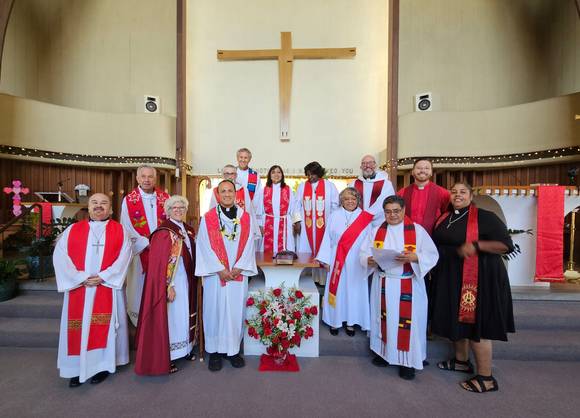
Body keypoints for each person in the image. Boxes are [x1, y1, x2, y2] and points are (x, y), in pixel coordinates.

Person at [430, 182, 515, 393]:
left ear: (470, 195)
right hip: (450, 275)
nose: (457, 195)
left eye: (462, 192)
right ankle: (461, 361)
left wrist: (477, 245)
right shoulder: (446, 216)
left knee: (477, 322)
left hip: (478, 277)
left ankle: (486, 377)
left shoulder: (484, 216)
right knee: (457, 318)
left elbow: (505, 245)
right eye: (454, 192)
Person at [54, 193, 132, 388]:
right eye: (94, 203)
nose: (99, 206)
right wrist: (80, 278)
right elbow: (60, 257)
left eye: (103, 203)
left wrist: (104, 276)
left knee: (103, 328)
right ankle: (75, 368)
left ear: (110, 208)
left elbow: (125, 256)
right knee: (78, 327)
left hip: (106, 287)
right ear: (87, 208)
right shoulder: (72, 230)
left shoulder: (120, 231)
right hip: (80, 288)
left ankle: (102, 366)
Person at [360, 195, 438, 380]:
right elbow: (364, 253)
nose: (392, 215)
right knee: (384, 320)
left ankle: (407, 362)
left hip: (407, 283)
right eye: (388, 211)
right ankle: (385, 354)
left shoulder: (417, 231)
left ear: (404, 210)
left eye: (396, 211)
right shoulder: (376, 231)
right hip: (384, 282)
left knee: (407, 325)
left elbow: (432, 253)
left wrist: (415, 257)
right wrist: (368, 260)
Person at [195, 180, 258, 372]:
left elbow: (249, 244)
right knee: (214, 309)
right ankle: (214, 351)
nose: (227, 194)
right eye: (223, 191)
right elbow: (204, 245)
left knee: (234, 311)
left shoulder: (246, 218)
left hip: (237, 274)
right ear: (217, 194)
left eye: (230, 190)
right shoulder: (208, 218)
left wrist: (239, 268)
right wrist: (220, 269)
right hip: (216, 275)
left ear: (236, 194)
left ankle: (232, 351)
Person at [134, 195, 198, 375]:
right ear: (167, 211)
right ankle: (167, 356)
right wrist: (168, 285)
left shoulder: (188, 230)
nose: (178, 210)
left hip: (188, 281)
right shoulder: (163, 232)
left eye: (181, 207)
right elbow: (158, 265)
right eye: (174, 208)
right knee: (172, 319)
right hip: (173, 283)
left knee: (185, 316)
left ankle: (184, 349)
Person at [316, 187, 374, 336]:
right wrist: (326, 260)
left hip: (358, 260)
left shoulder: (365, 218)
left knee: (354, 291)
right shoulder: (334, 215)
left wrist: (369, 258)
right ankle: (334, 321)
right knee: (338, 290)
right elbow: (327, 238)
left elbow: (370, 240)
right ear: (342, 200)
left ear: (358, 201)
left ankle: (351, 322)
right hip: (337, 258)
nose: (350, 201)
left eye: (353, 198)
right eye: (347, 198)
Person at [121, 164, 169, 326]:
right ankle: (140, 323)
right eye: (143, 176)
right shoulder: (129, 200)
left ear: (155, 179)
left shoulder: (165, 198)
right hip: (140, 254)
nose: (147, 180)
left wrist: (160, 244)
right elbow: (127, 227)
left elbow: (171, 223)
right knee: (139, 289)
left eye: (150, 177)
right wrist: (146, 244)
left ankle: (159, 321)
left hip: (163, 252)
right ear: (137, 179)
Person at [294, 161, 339, 285]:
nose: (310, 177)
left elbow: (335, 205)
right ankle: (305, 277)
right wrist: (297, 221)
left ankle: (321, 278)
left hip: (324, 225)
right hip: (306, 225)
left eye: (312, 174)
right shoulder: (302, 187)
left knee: (323, 248)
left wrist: (332, 222)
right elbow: (296, 205)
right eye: (308, 174)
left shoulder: (329, 186)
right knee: (305, 249)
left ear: (319, 174)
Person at [396, 158, 450, 236]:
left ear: (431, 172)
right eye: (419, 168)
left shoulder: (443, 193)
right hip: (406, 237)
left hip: (433, 238)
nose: (422, 171)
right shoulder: (401, 193)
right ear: (412, 172)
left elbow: (446, 215)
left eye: (427, 168)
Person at [254, 165, 299, 253]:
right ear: (270, 175)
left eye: (279, 172)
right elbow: (259, 208)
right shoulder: (264, 190)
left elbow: (293, 208)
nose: (276, 174)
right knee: (266, 249)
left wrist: (293, 225)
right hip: (267, 222)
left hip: (285, 222)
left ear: (282, 175)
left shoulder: (288, 189)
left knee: (285, 248)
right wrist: (260, 225)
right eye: (273, 172)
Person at [210, 165, 261, 240]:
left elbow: (249, 210)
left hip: (240, 227)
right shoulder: (216, 191)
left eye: (232, 174)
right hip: (222, 227)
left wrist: (252, 228)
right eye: (227, 174)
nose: (230, 176)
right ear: (223, 175)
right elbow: (212, 210)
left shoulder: (243, 190)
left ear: (236, 176)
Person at [348, 155, 395, 227]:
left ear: (376, 165)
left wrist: (366, 216)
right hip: (357, 223)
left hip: (378, 224)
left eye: (371, 163)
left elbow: (383, 203)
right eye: (364, 163)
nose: (368, 165)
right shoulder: (353, 184)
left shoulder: (386, 184)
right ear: (361, 167)